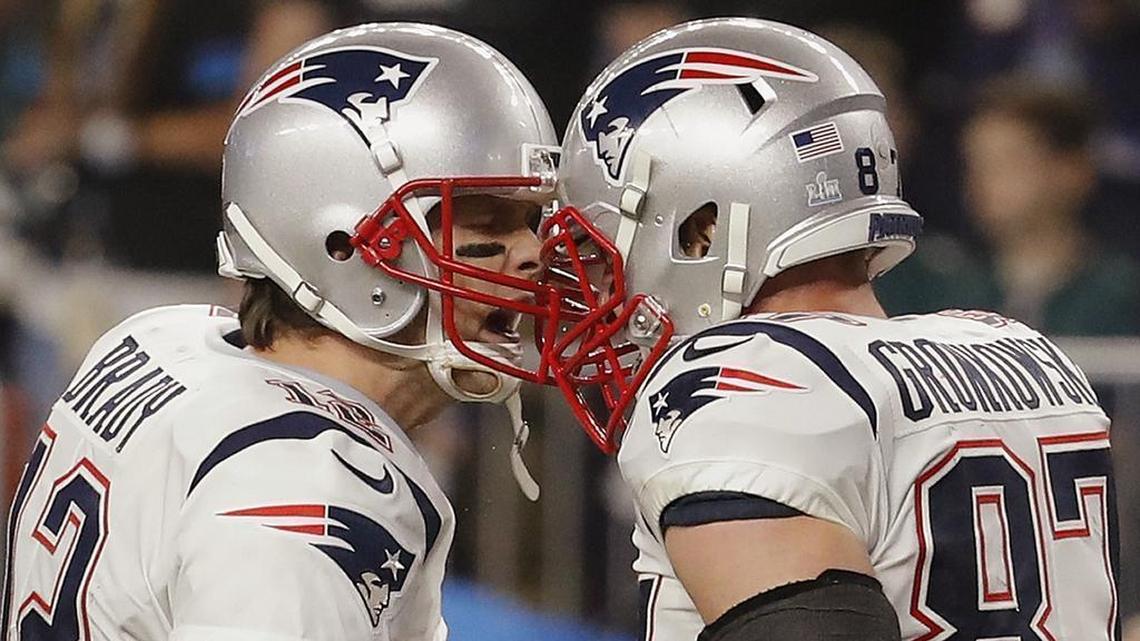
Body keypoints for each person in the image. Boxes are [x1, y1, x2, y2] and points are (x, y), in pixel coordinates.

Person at [524, 18, 1118, 640]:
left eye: (609, 242)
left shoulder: (738, 384)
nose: (597, 287)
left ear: (702, 231)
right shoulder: (1020, 351)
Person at [2, 22, 559, 641]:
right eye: (487, 221)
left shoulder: (160, 342)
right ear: (343, 246)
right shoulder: (311, 484)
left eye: (532, 220)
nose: (533, 253)